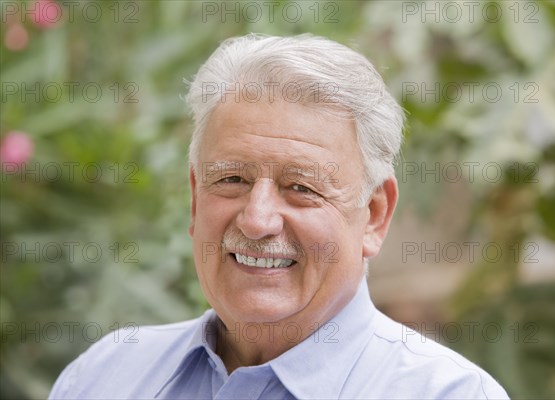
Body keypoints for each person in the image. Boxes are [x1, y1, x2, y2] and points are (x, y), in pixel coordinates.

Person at [49, 33, 509, 399]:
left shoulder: (446, 394)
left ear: (372, 215)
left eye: (301, 188)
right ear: (194, 197)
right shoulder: (103, 377)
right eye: (231, 179)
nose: (257, 219)